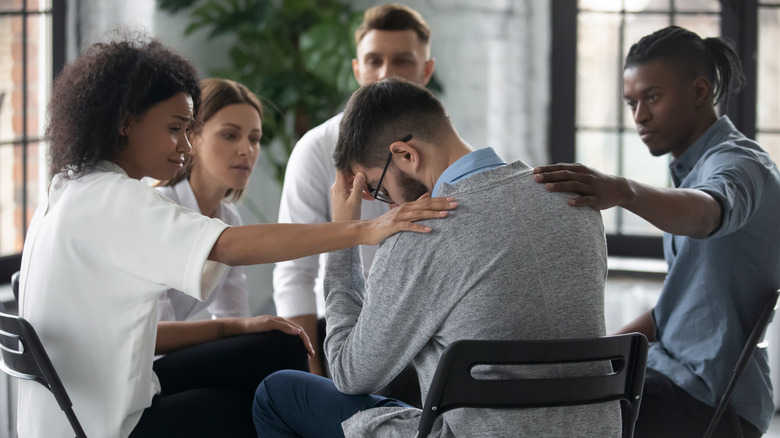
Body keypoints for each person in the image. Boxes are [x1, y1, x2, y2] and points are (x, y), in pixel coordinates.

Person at [16, 33, 455, 438]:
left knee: (277, 349)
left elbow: (125, 333)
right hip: (108, 423)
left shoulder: (70, 190)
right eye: (174, 128)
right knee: (273, 398)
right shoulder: (115, 199)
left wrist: (232, 327)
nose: (185, 147)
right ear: (125, 121)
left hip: (80, 407)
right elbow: (229, 246)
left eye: (188, 130)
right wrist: (362, 229)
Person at [252, 77, 620, 438]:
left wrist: (343, 233)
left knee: (277, 392)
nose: (391, 205)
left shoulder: (422, 231)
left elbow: (350, 374)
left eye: (379, 189)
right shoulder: (574, 200)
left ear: (406, 155)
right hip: (598, 431)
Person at [533, 26, 780, 437]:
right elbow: (672, 314)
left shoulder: (740, 165)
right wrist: (584, 356)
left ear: (700, 92)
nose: (639, 116)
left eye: (652, 97)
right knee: (544, 391)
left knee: (554, 418)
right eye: (631, 102)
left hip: (712, 401)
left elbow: (707, 215)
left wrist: (623, 190)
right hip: (671, 375)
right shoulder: (689, 171)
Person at [273, 3, 436, 383]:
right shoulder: (316, 149)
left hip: (427, 332)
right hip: (341, 330)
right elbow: (295, 271)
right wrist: (315, 376)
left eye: (402, 61)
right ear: (356, 69)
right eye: (374, 60)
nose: (386, 74)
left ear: (427, 71)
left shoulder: (447, 151)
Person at [149, 77, 312, 431]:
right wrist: (235, 332)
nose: (246, 150)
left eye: (254, 139)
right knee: (281, 348)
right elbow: (154, 336)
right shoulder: (161, 211)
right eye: (230, 135)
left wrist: (241, 332)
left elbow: (235, 314)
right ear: (195, 136)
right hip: (143, 369)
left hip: (171, 363)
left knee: (258, 394)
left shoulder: (229, 218)